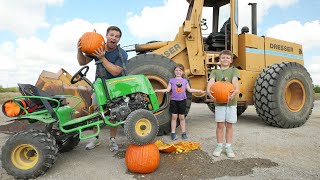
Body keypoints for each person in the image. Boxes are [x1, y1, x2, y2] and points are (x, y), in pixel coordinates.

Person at [77, 26, 128, 151]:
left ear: (119, 39)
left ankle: (112, 140)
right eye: (112, 35)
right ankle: (95, 138)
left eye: (117, 36)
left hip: (116, 86)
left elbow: (116, 71)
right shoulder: (97, 47)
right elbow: (82, 62)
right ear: (106, 36)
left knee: (114, 114)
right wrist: (78, 50)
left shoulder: (122, 53)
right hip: (99, 85)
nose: (114, 38)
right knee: (95, 113)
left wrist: (102, 58)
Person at [155, 64, 205, 140]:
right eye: (176, 70)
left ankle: (183, 133)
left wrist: (199, 91)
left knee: (182, 117)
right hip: (174, 101)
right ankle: (173, 133)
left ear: (182, 72)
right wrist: (158, 90)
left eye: (180, 70)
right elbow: (168, 90)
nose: (178, 72)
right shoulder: (171, 80)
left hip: (182, 101)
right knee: (174, 117)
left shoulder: (185, 81)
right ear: (174, 71)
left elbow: (189, 90)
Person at [206, 49, 239, 158]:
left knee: (229, 125)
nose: (225, 59)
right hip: (219, 102)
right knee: (220, 125)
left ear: (231, 60)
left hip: (231, 102)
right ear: (219, 60)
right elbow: (211, 82)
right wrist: (208, 90)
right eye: (223, 58)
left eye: (227, 58)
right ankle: (219, 145)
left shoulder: (234, 71)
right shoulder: (215, 72)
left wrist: (236, 89)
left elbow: (235, 81)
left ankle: (228, 146)